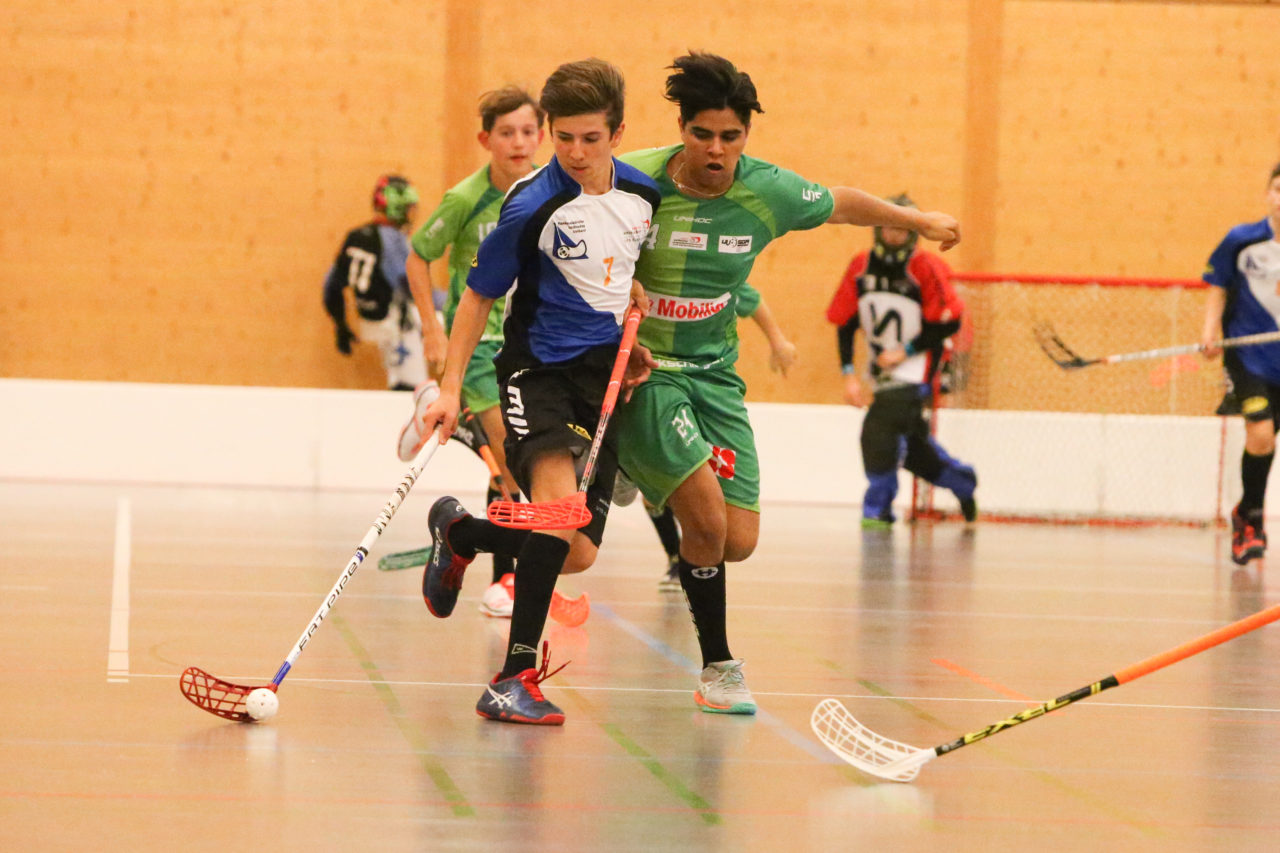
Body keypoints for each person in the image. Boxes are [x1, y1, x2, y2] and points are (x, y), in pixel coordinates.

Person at [614, 52, 960, 715]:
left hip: (716, 375)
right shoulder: (636, 180)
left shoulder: (767, 191)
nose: (716, 150)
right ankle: (718, 666)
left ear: (746, 134)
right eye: (702, 134)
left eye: (731, 136)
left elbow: (843, 204)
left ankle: (636, 467)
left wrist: (916, 222)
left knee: (736, 540)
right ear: (681, 127)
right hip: (648, 372)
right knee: (707, 520)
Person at [416, 58, 661, 725]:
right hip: (536, 372)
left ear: (617, 131)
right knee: (556, 517)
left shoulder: (644, 196)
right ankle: (512, 676)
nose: (577, 154)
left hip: (602, 380)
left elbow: (620, 274)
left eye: (592, 139)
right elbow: (476, 297)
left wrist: (629, 336)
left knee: (576, 550)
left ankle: (461, 531)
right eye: (565, 139)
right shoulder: (530, 202)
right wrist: (445, 387)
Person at [398, 87, 545, 617]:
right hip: (481, 347)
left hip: (533, 346)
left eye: (529, 131)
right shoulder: (466, 199)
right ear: (486, 139)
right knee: (508, 460)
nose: (519, 142)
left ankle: (508, 575)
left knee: (522, 464)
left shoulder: (553, 193)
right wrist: (433, 329)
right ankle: (508, 579)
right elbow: (418, 258)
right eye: (506, 132)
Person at [627, 282, 797, 591]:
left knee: (701, 499)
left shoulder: (718, 278)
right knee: (655, 496)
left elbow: (752, 300)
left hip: (707, 390)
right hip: (656, 380)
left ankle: (684, 556)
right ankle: (675, 558)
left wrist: (779, 342)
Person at [825, 194, 978, 529]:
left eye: (902, 229)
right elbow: (845, 323)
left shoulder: (926, 268)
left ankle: (877, 507)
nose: (894, 236)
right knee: (913, 449)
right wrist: (848, 375)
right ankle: (961, 481)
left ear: (913, 232)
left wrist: (906, 351)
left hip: (918, 370)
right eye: (888, 228)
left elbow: (949, 321)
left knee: (877, 431)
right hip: (882, 372)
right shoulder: (860, 266)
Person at [1199, 161, 1280, 565]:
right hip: (1248, 357)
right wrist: (1210, 330)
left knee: (1267, 441)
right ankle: (1250, 520)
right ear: (1268, 194)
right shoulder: (1242, 241)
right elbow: (1217, 286)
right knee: (1261, 435)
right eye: (1279, 190)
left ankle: (1246, 511)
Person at [322, 175, 426, 391]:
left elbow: (331, 286)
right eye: (407, 208)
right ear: (396, 208)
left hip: (368, 320)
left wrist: (340, 325)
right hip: (394, 321)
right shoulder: (392, 241)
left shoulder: (355, 236)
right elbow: (411, 286)